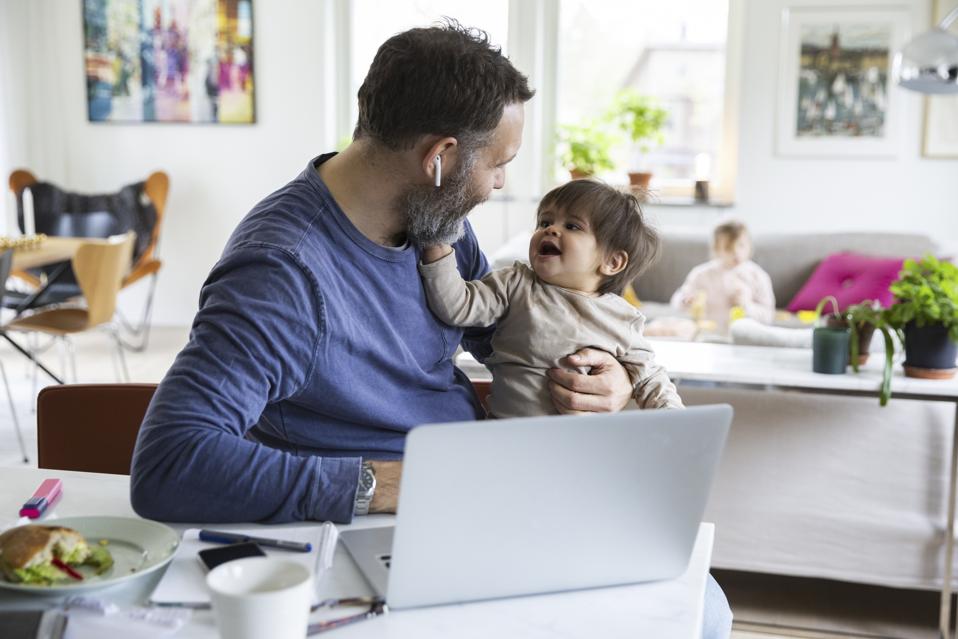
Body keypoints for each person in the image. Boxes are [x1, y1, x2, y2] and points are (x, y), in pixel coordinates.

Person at [129, 21, 732, 637]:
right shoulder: (282, 275)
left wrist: (615, 381)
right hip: (397, 521)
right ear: (439, 158)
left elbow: (500, 333)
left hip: (492, 479)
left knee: (699, 603)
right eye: (499, 165)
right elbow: (171, 464)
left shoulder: (433, 217)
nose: (500, 184)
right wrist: (394, 482)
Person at [419, 179, 682, 417]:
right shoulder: (514, 282)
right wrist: (437, 243)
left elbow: (649, 377)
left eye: (572, 226)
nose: (551, 230)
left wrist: (676, 420)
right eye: (545, 222)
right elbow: (457, 306)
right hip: (506, 439)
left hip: (578, 449)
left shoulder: (621, 318)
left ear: (612, 261)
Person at [670, 220, 775, 334]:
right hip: (708, 336)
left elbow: (768, 316)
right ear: (716, 249)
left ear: (749, 245)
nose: (736, 252)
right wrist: (685, 301)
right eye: (728, 248)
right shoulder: (701, 274)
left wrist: (746, 305)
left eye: (741, 245)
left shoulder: (758, 276)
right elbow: (677, 301)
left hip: (744, 336)